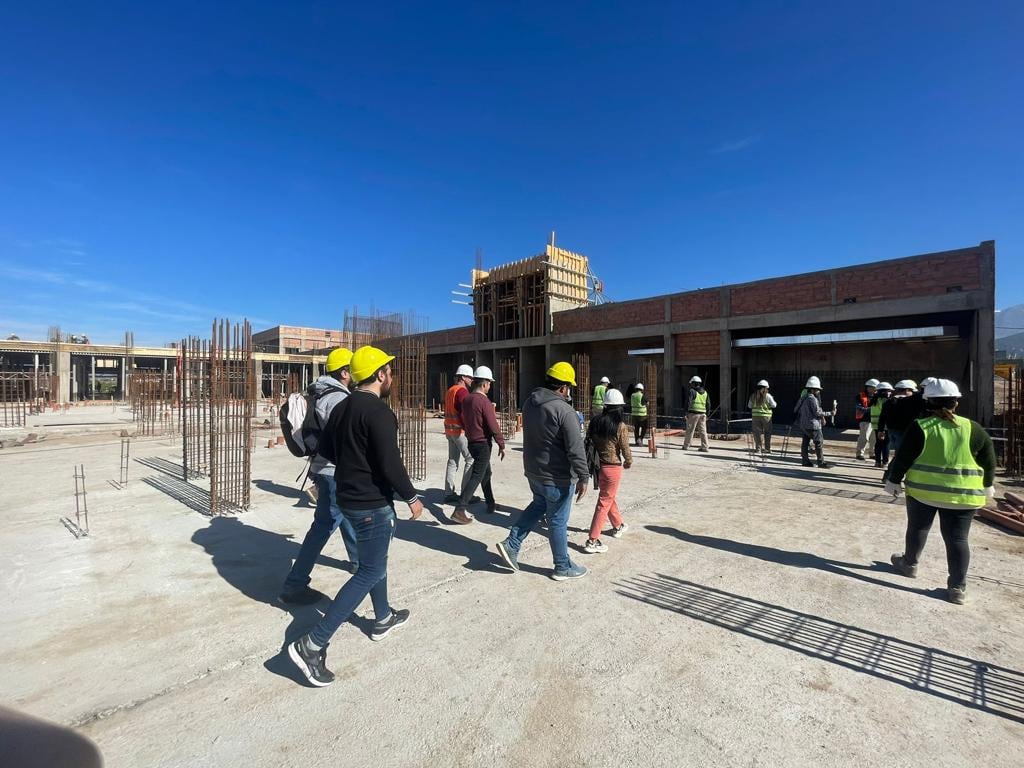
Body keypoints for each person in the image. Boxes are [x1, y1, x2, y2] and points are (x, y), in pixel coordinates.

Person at [287, 346, 425, 688]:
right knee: (370, 570)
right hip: (371, 504)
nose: (392, 376)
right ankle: (312, 644)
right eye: (389, 371)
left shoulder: (343, 406)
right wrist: (411, 498)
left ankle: (382, 617)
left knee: (372, 561)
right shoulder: (378, 412)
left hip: (348, 498)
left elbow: (330, 451)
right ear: (379, 374)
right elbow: (390, 463)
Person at [885, 378, 996, 605]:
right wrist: (988, 484)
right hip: (964, 497)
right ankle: (957, 588)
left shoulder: (921, 427)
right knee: (957, 539)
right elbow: (989, 459)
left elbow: (903, 457)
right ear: (956, 403)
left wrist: (893, 480)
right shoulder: (973, 428)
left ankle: (910, 564)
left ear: (927, 403)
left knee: (917, 528)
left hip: (923, 493)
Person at [496, 361, 590, 581]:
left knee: (539, 506)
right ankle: (562, 566)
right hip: (557, 476)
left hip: (534, 472)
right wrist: (583, 476)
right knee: (557, 520)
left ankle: (511, 544)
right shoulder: (564, 410)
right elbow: (575, 447)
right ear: (564, 387)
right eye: (569, 388)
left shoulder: (530, 403)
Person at [279, 347, 359, 604]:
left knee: (343, 515)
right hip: (333, 471)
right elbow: (346, 439)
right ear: (345, 372)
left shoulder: (320, 391)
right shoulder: (337, 399)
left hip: (321, 468)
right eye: (353, 369)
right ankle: (294, 585)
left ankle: (358, 562)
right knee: (324, 525)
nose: (357, 374)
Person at [451, 366, 506, 524]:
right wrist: (501, 443)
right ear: (484, 383)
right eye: (489, 383)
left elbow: (462, 419)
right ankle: (460, 509)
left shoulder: (467, 399)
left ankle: (490, 502)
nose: (490, 387)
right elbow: (493, 424)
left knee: (485, 473)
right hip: (482, 444)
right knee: (477, 475)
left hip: (472, 442)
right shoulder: (483, 401)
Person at [583, 388, 632, 554]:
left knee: (608, 496)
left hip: (599, 466)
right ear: (619, 408)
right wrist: (629, 461)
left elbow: (588, 441)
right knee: (604, 501)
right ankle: (592, 540)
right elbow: (624, 447)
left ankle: (618, 525)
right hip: (613, 467)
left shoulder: (595, 422)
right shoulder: (620, 426)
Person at [443, 363, 477, 503]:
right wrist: (470, 429)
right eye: (469, 377)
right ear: (463, 377)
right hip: (460, 432)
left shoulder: (451, 390)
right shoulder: (462, 392)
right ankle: (465, 494)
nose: (471, 380)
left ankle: (449, 493)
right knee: (470, 459)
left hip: (449, 430)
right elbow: (465, 413)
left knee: (452, 461)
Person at [794, 376, 834, 469]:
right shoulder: (812, 399)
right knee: (819, 442)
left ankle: (805, 461)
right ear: (813, 389)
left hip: (804, 425)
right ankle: (821, 462)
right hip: (813, 425)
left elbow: (796, 409)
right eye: (817, 389)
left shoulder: (803, 398)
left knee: (805, 443)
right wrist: (830, 413)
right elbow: (817, 412)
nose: (819, 391)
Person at [878, 379, 920, 459]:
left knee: (898, 450)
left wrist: (881, 429)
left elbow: (882, 416)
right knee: (901, 452)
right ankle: (894, 468)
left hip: (891, 430)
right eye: (912, 391)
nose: (912, 394)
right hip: (903, 430)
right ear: (907, 390)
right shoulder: (909, 402)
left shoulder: (888, 402)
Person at [747, 379, 776, 454]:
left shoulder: (753, 396)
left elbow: (749, 406)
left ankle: (758, 449)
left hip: (755, 417)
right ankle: (767, 449)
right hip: (766, 417)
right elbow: (774, 405)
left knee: (757, 433)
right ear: (765, 388)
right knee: (767, 433)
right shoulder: (768, 396)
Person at [683, 375, 710, 452]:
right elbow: (708, 404)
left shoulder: (692, 391)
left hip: (693, 414)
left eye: (691, 383)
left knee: (690, 430)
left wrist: (686, 412)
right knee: (703, 431)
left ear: (694, 383)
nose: (691, 385)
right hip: (703, 415)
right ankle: (705, 447)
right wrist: (707, 414)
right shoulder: (705, 393)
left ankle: (686, 446)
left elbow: (688, 402)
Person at [870, 382, 894, 467]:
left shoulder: (874, 400)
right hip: (884, 425)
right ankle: (885, 462)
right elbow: (886, 414)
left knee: (879, 443)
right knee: (886, 444)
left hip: (875, 425)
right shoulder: (885, 401)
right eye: (889, 391)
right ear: (884, 391)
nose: (890, 393)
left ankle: (877, 462)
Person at [855, 378, 879, 460]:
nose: (876, 389)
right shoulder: (860, 396)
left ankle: (872, 453)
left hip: (876, 420)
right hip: (865, 420)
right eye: (874, 388)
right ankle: (859, 454)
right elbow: (860, 408)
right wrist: (872, 409)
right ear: (869, 387)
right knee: (864, 437)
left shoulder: (878, 397)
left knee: (874, 439)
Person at [630, 382, 648, 446]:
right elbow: (647, 403)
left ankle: (637, 441)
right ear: (642, 389)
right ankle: (640, 439)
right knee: (644, 428)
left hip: (634, 415)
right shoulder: (642, 396)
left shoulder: (632, 395)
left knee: (636, 428)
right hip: (642, 415)